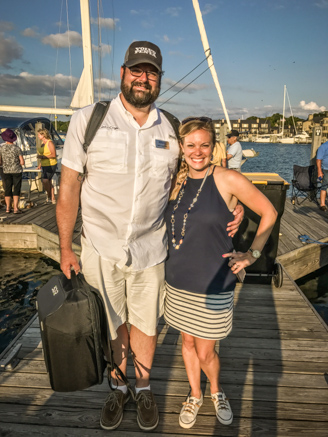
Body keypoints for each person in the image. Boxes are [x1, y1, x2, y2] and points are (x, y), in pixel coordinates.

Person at [56, 41, 244, 432]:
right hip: (99, 247)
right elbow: (70, 185)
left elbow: (197, 174)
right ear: (123, 73)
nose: (144, 78)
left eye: (152, 72)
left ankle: (142, 388)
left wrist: (233, 204)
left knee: (145, 326)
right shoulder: (88, 119)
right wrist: (64, 248)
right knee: (111, 325)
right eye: (137, 70)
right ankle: (118, 386)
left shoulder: (172, 128)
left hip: (151, 250)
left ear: (159, 79)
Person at [164, 117, 277, 429]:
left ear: (213, 147)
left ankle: (216, 392)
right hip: (177, 281)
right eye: (191, 145)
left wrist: (252, 254)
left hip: (214, 283)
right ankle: (196, 395)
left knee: (205, 350)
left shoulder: (227, 179)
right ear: (181, 148)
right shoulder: (176, 179)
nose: (197, 151)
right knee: (187, 344)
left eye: (204, 144)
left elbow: (269, 211)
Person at [0, 129, 25, 214]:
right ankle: (15, 208)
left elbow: (0, 162)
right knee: (16, 189)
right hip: (17, 170)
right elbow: (22, 162)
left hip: (6, 171)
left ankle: (7, 208)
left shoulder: (1, 148)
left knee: (7, 189)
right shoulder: (17, 148)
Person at [37, 128, 57, 204]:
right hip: (44, 165)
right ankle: (52, 197)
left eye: (39, 134)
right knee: (48, 181)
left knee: (45, 180)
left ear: (43, 135)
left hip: (51, 164)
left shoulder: (49, 143)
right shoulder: (42, 143)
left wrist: (42, 157)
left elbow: (53, 154)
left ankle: (49, 195)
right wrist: (40, 164)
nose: (38, 136)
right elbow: (42, 154)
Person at [316, 140, 328, 211]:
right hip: (326, 169)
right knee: (324, 186)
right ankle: (322, 204)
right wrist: (319, 171)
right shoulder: (323, 146)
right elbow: (318, 160)